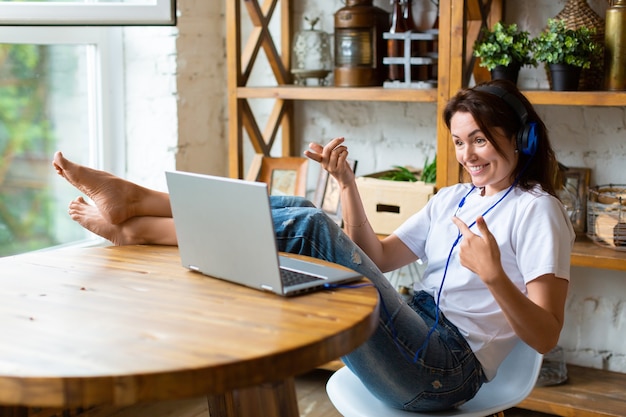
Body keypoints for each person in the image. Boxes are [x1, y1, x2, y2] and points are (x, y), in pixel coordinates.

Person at [53, 79, 574, 412]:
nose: (468, 154)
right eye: (460, 142)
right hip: (413, 331)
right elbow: (380, 258)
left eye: (480, 139)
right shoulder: (453, 198)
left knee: (305, 223)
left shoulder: (539, 212)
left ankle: (139, 222)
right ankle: (136, 210)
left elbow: (546, 335)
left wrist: (494, 278)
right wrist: (347, 185)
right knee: (298, 209)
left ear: (520, 138)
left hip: (444, 370)